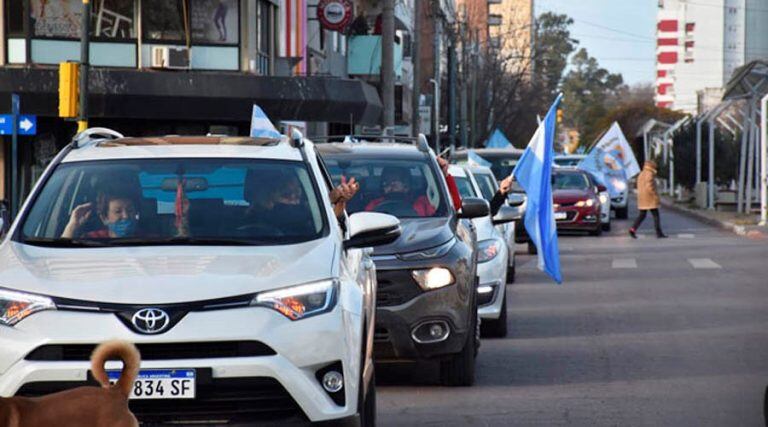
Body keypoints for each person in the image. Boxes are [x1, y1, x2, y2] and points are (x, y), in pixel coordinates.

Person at [61, 189, 139, 239]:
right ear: (104, 218)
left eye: (130, 210)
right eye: (118, 211)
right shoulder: (91, 239)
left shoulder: (146, 239)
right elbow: (61, 256)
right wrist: (72, 226)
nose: (126, 216)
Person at [365, 167, 436, 216]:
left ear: (406, 186)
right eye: (386, 184)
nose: (389, 187)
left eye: (393, 183)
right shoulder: (375, 204)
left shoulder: (422, 202)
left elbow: (438, 220)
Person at [629, 160, 667, 239]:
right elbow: (650, 186)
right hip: (650, 197)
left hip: (642, 197)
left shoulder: (641, 174)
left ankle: (632, 229)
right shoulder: (650, 174)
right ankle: (659, 232)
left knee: (642, 215)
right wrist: (655, 195)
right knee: (656, 215)